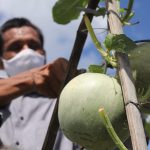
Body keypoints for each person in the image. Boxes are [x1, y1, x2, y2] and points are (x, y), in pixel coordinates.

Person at [0, 18, 81, 150]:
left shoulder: (64, 102)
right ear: (1, 62)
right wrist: (33, 78)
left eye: (33, 46)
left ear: (43, 53)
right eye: (15, 47)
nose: (26, 51)